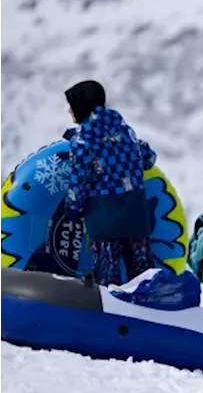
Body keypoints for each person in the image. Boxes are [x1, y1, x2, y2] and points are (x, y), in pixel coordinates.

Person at [62, 79, 158, 285]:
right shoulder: (124, 129)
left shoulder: (82, 141)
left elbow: (80, 181)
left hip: (105, 218)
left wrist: (72, 208)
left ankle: (112, 313)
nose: (69, 112)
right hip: (135, 211)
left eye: (72, 107)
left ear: (81, 107)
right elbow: (148, 158)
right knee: (143, 273)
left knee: (107, 277)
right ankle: (152, 308)